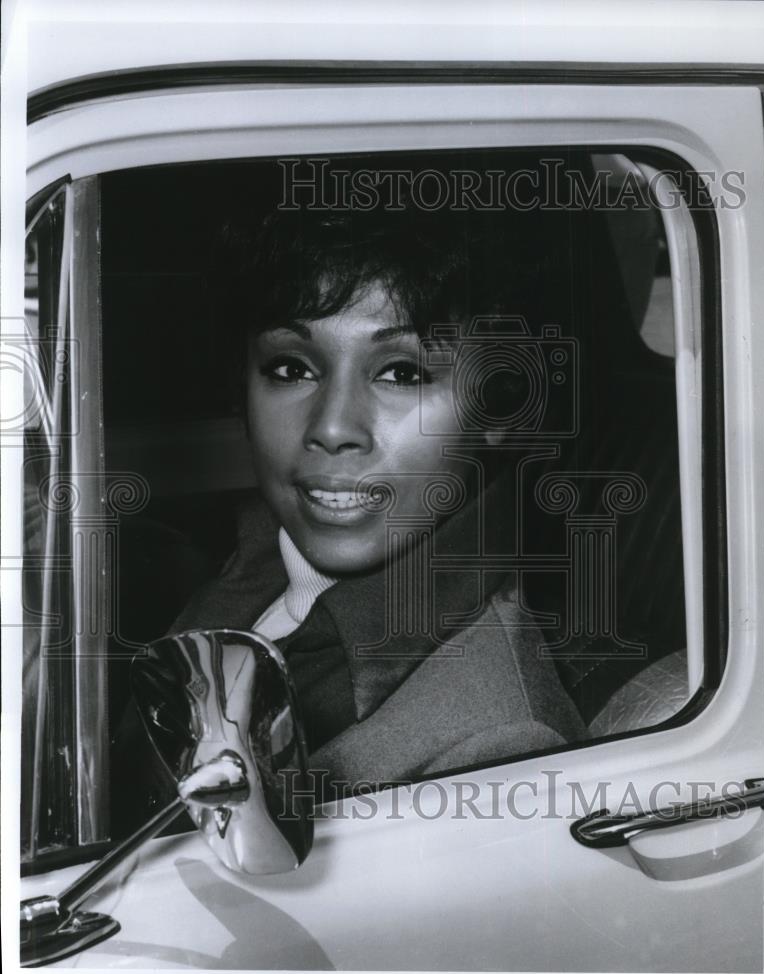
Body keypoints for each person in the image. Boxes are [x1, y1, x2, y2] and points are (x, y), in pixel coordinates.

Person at [170, 190, 587, 793]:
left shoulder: (495, 748)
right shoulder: (247, 568)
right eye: (291, 367)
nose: (332, 427)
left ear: (497, 403)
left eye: (402, 373)